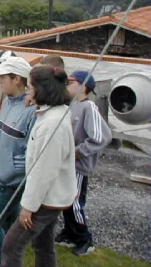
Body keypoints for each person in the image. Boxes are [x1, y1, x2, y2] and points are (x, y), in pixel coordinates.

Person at [1, 66, 77, 267]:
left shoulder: (52, 125)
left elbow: (44, 171)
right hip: (49, 196)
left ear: (42, 89)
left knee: (12, 244)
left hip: (45, 199)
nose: (27, 90)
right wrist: (35, 105)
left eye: (30, 86)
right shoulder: (54, 112)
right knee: (43, 244)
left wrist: (28, 206)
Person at [0, 57, 37, 267]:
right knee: (9, 226)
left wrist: (13, 171)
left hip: (10, 182)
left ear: (17, 79)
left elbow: (33, 152)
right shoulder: (6, 102)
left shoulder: (32, 111)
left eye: (3, 77)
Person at [55, 70, 112, 255]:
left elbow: (101, 137)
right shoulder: (71, 105)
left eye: (71, 83)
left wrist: (78, 152)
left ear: (82, 87)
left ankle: (84, 238)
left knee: (75, 202)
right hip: (67, 164)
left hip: (79, 166)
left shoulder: (89, 108)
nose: (67, 86)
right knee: (65, 200)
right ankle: (69, 233)